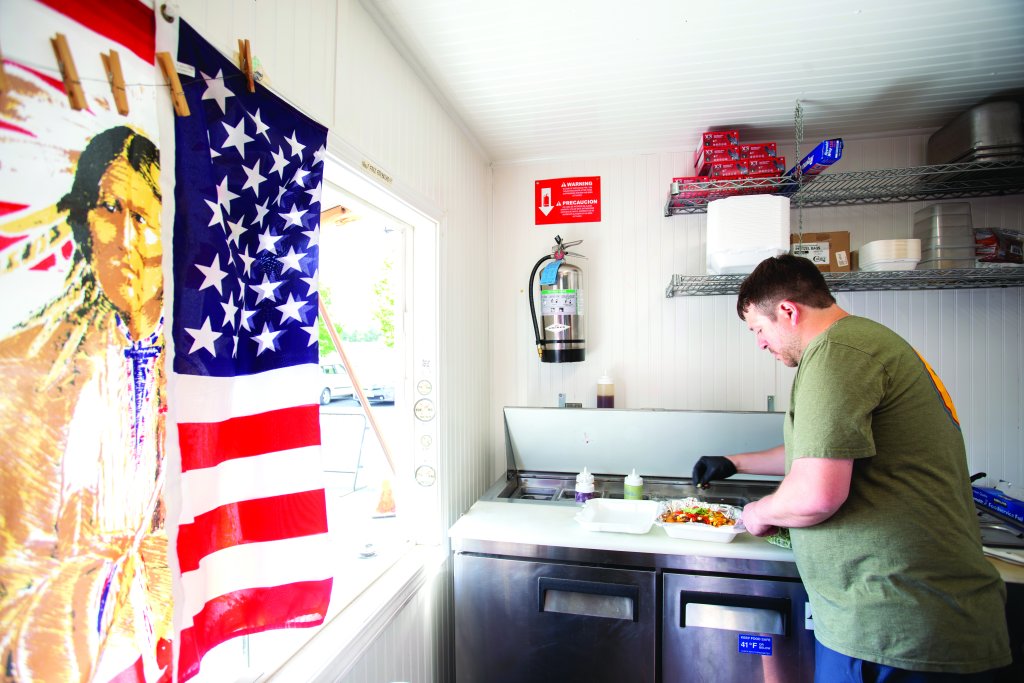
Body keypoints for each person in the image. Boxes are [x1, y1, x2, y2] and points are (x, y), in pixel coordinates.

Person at [691, 254, 1011, 682]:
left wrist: (759, 513)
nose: (761, 343)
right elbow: (821, 452)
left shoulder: (835, 354)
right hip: (912, 616)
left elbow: (816, 494)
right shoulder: (863, 343)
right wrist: (735, 463)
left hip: (892, 624)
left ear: (787, 311)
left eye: (759, 329)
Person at [0, 126, 170, 680]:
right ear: (85, 223)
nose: (125, 235)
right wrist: (108, 584)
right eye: (108, 210)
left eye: (144, 218)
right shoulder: (30, 368)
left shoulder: (188, 364)